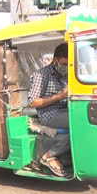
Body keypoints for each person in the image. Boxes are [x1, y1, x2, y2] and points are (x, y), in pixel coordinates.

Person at [28, 43, 69, 177]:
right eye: (64, 64)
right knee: (78, 123)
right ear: (55, 59)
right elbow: (32, 102)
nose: (66, 68)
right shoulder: (41, 75)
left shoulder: (69, 74)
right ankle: (47, 156)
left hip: (66, 111)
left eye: (69, 65)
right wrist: (60, 96)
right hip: (50, 115)